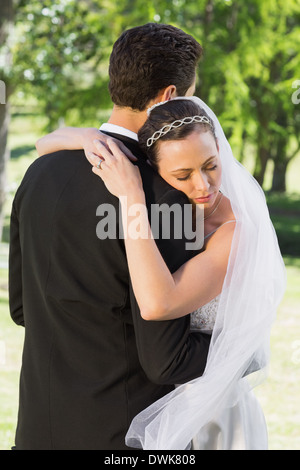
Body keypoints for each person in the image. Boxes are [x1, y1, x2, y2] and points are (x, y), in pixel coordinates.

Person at [8, 23, 213, 451]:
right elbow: (167, 360)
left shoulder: (39, 172)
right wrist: (241, 346)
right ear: (170, 96)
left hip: (36, 431)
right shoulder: (165, 197)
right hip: (123, 439)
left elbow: (24, 308)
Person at [80, 97, 285, 450]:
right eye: (183, 175)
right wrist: (87, 137)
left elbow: (160, 304)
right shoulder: (173, 213)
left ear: (220, 148)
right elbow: (43, 143)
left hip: (214, 412)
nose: (203, 185)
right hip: (158, 398)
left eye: (211, 165)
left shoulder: (237, 231)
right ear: (152, 169)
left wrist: (131, 195)